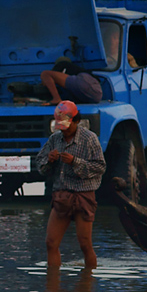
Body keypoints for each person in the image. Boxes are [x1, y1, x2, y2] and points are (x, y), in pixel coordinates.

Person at [35, 101, 107, 268]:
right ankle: (53, 286)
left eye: (67, 125)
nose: (64, 129)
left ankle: (88, 284)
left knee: (85, 245)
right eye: (61, 126)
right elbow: (40, 165)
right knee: (51, 243)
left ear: (76, 120)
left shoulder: (90, 139)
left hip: (84, 197)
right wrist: (49, 160)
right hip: (62, 196)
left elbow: (100, 167)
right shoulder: (54, 139)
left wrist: (75, 162)